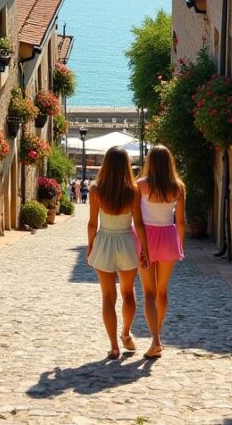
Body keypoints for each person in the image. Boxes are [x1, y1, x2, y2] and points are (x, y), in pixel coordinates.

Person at [86, 147, 148, 360]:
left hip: (104, 241)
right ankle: (126, 333)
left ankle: (113, 346)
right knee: (128, 293)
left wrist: (90, 246)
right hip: (127, 242)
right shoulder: (133, 190)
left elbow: (93, 223)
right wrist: (145, 249)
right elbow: (139, 224)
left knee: (107, 297)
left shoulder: (95, 190)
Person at [135, 145, 186, 359]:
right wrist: (179, 244)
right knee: (162, 290)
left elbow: (136, 218)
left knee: (148, 292)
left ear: (150, 162)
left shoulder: (141, 186)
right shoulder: (178, 187)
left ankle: (155, 340)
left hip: (145, 237)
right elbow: (181, 221)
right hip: (167, 237)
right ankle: (158, 335)